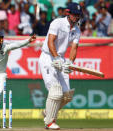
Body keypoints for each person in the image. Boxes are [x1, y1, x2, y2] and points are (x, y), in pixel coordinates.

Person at [38, 2, 82, 130]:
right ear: (68, 13)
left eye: (78, 15)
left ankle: (48, 112)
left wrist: (70, 62)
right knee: (55, 92)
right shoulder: (57, 23)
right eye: (74, 14)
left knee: (66, 95)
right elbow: (51, 41)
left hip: (61, 58)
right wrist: (56, 58)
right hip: (48, 57)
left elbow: (74, 48)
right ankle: (49, 121)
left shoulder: (77, 30)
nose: (76, 17)